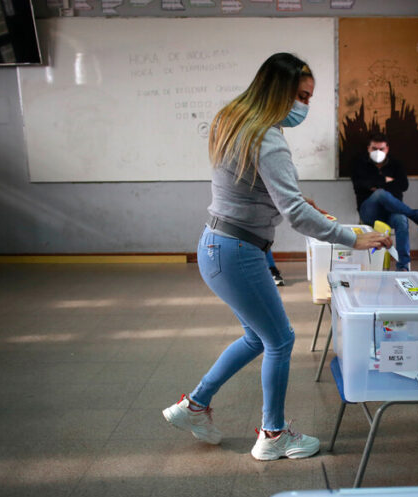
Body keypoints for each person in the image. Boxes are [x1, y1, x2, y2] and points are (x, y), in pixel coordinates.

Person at [162, 53, 391, 461]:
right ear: (279, 90)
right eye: (301, 95)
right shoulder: (267, 138)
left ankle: (193, 406)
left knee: (258, 336)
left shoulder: (233, 121)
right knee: (281, 339)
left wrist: (300, 199)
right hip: (237, 251)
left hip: (217, 245)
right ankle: (273, 434)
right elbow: (295, 214)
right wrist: (351, 239)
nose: (305, 105)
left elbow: (250, 184)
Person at [350, 133, 418, 271]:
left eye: (381, 149)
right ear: (368, 149)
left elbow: (403, 185)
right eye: (374, 148)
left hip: (393, 212)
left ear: (387, 149)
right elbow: (360, 185)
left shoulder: (395, 164)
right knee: (381, 194)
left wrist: (375, 183)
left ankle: (403, 266)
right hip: (369, 211)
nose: (378, 152)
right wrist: (386, 181)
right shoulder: (360, 164)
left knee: (401, 219)